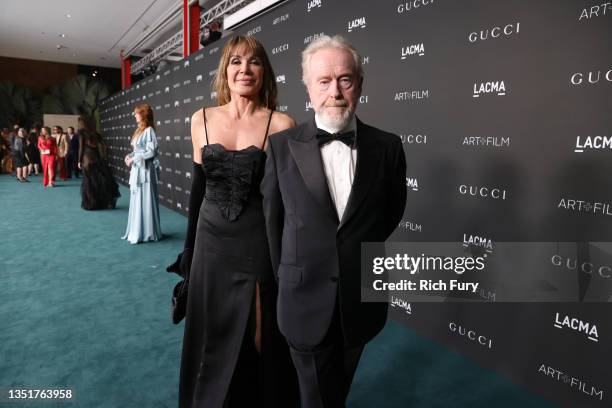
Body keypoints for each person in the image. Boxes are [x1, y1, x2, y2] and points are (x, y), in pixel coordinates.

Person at [261, 35, 407, 408]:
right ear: (308, 88)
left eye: (345, 79)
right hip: (303, 299)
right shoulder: (280, 148)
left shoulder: (388, 146)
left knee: (336, 387)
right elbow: (272, 225)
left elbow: (389, 214)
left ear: (359, 84)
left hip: (361, 301)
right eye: (323, 81)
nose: (335, 91)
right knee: (316, 395)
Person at [178, 35, 298, 408]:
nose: (244, 69)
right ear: (224, 72)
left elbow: (288, 201)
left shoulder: (280, 124)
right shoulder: (201, 119)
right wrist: (188, 250)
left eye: (254, 62)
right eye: (236, 62)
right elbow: (198, 189)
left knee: (259, 338)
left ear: (265, 72)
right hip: (209, 245)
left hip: (256, 244)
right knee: (210, 335)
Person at [122, 104, 162, 243]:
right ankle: (138, 230)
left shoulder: (149, 130)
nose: (135, 115)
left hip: (145, 171)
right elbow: (138, 149)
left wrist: (134, 158)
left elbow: (151, 151)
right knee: (137, 198)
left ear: (144, 115)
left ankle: (147, 232)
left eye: (137, 113)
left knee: (145, 198)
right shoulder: (139, 130)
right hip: (137, 169)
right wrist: (130, 156)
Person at [78, 118, 120, 210]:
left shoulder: (82, 133)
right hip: (98, 159)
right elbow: (105, 146)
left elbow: (81, 148)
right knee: (100, 182)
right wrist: (104, 157)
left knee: (89, 183)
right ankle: (105, 203)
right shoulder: (96, 134)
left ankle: (92, 204)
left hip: (87, 160)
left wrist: (79, 161)